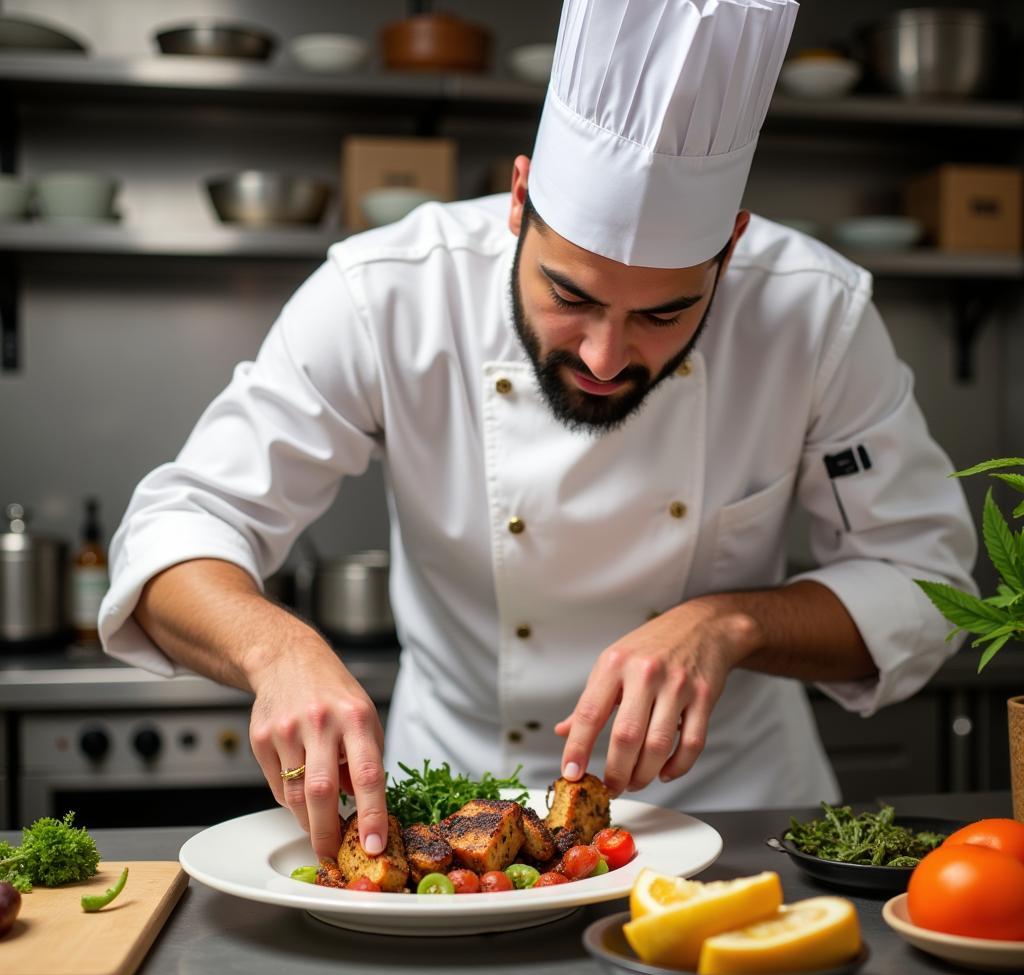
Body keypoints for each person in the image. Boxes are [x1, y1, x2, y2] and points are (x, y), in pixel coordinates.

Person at [99, 0, 976, 862]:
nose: (604, 355)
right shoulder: (387, 293)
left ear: (732, 247)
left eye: (666, 313)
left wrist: (730, 622)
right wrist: (276, 649)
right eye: (571, 296)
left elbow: (927, 584)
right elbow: (179, 529)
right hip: (441, 818)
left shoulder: (816, 314)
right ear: (519, 201)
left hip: (736, 815)